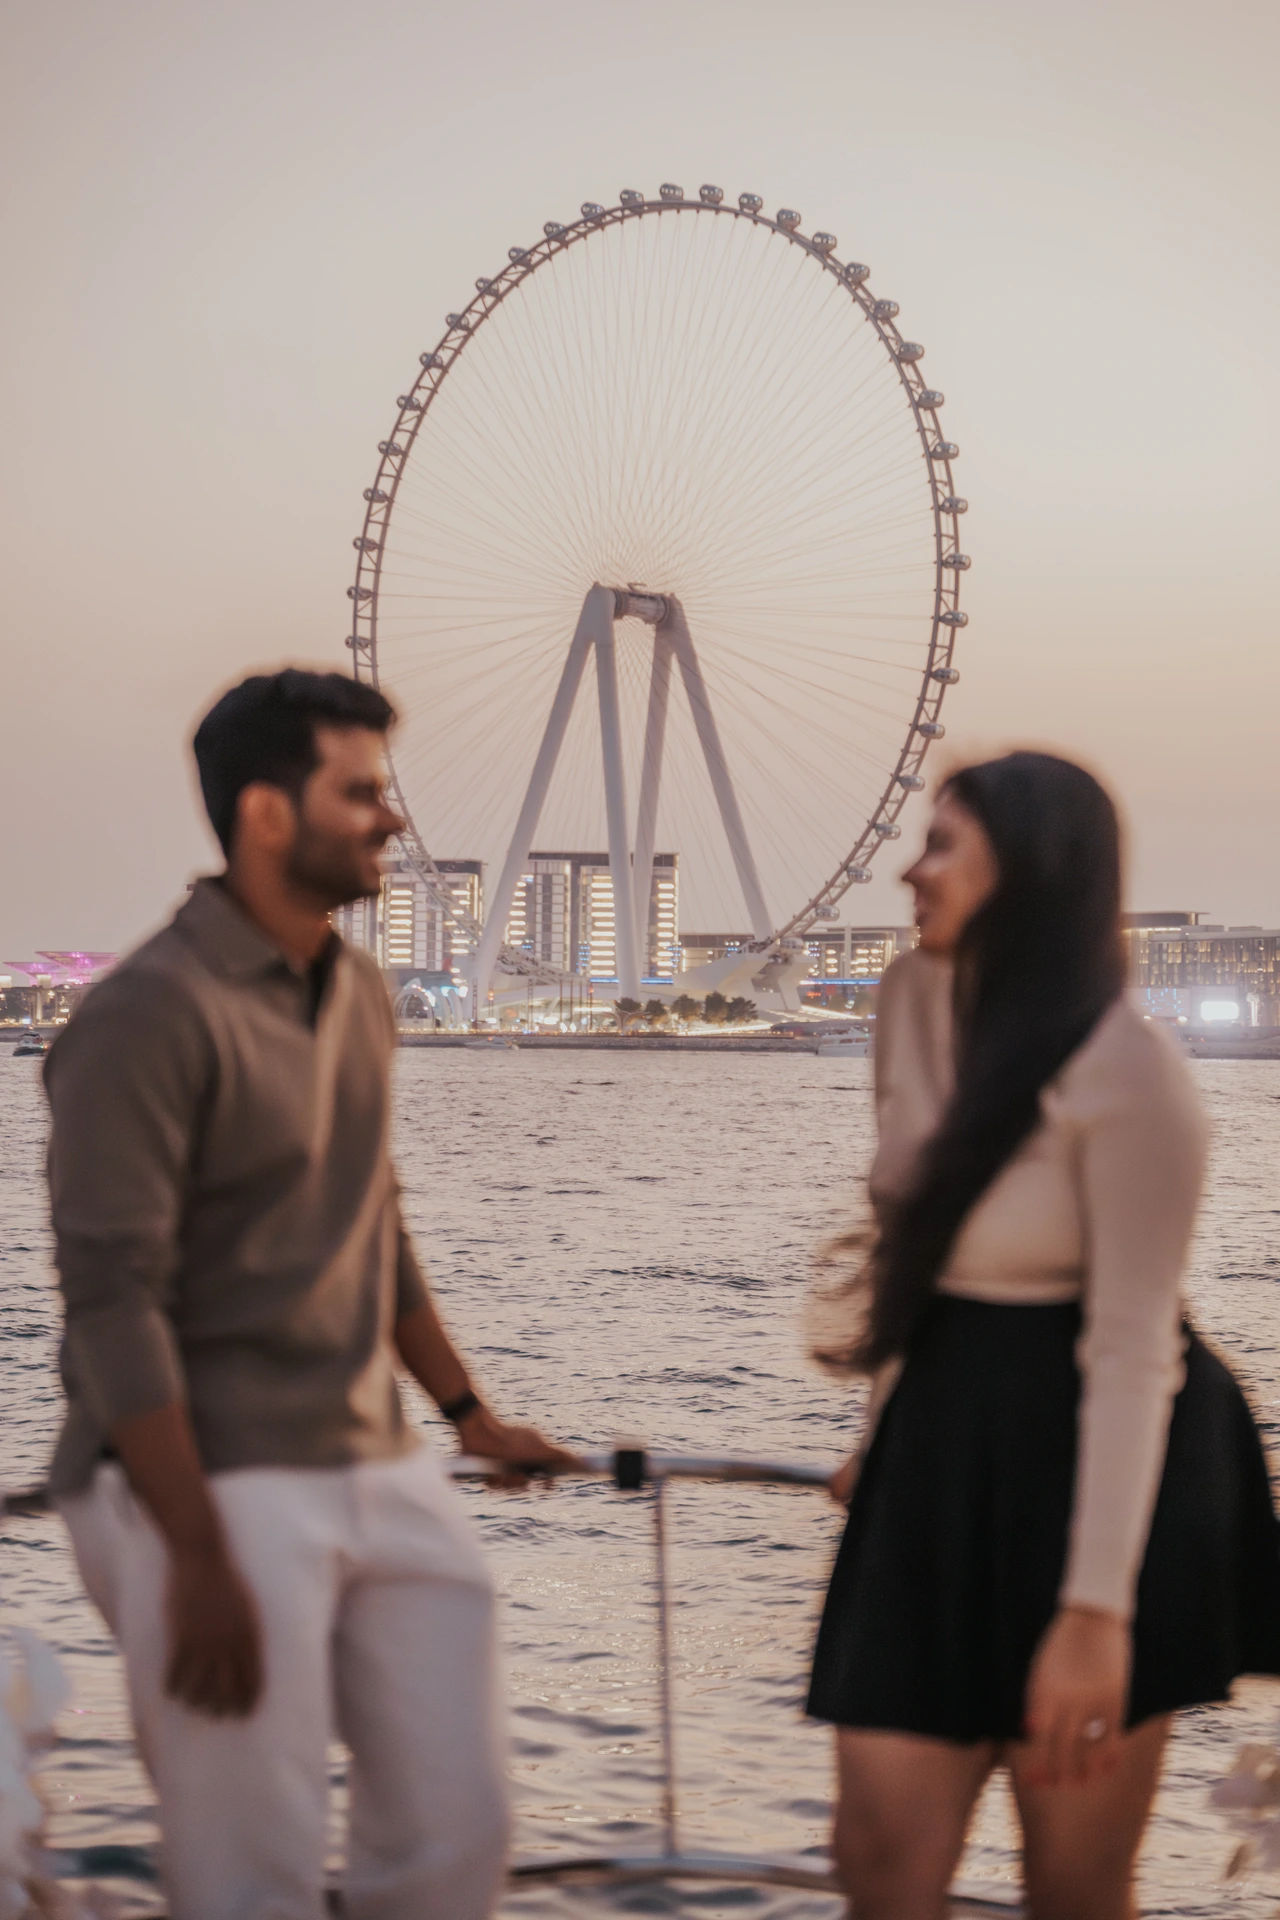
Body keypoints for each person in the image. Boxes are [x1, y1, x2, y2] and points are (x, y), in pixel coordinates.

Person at [44, 668, 572, 1920]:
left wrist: (464, 1412)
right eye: (363, 793)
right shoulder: (143, 1017)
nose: (393, 819)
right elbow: (113, 1304)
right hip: (205, 1483)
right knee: (252, 1865)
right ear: (268, 815)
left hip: (377, 1462)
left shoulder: (359, 993)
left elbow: (370, 1218)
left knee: (459, 1830)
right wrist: (196, 1555)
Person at [807, 751, 1280, 1920]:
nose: (906, 870)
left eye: (942, 846)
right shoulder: (907, 1002)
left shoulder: (1132, 1077)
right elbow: (906, 1247)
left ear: (1029, 876)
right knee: (874, 1853)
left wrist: (1090, 1614)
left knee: (1070, 1882)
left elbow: (1129, 1353)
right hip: (938, 1439)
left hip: (1106, 1444)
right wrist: (883, 1434)